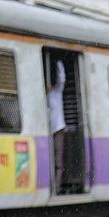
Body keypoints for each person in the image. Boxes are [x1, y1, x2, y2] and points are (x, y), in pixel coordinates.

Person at [47, 60, 67, 194]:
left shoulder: (57, 92)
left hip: (58, 129)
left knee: (58, 160)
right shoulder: (46, 97)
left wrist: (59, 62)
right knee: (50, 158)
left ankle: (57, 186)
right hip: (49, 131)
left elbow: (62, 79)